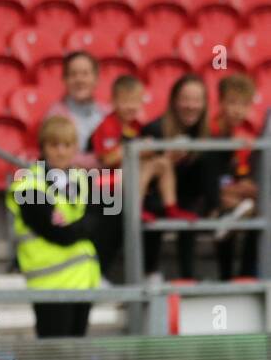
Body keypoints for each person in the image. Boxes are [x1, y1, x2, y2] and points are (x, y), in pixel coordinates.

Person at [5, 116, 101, 338]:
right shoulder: (29, 184)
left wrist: (78, 226)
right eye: (54, 145)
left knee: (75, 357)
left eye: (67, 145)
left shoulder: (83, 179)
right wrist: (83, 225)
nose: (61, 151)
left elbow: (99, 221)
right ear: (43, 147)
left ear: (76, 148)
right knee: (55, 354)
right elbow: (58, 233)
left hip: (84, 279)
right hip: (49, 283)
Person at [87, 74, 180, 274]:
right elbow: (107, 159)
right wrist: (135, 149)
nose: (130, 106)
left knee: (161, 167)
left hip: (134, 183)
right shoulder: (107, 126)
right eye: (125, 101)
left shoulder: (140, 127)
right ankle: (101, 272)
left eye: (135, 101)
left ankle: (170, 207)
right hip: (107, 188)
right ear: (113, 101)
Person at [141, 74, 221, 281]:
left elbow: (207, 181)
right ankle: (149, 272)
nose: (191, 106)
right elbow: (140, 177)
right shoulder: (154, 130)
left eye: (197, 100)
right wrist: (167, 158)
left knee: (192, 209)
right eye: (186, 99)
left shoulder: (208, 137)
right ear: (174, 101)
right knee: (155, 208)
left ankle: (191, 276)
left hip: (189, 200)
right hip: (153, 198)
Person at [208, 73, 260, 279]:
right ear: (220, 102)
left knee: (257, 211)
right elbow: (208, 179)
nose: (238, 110)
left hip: (237, 196)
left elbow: (244, 174)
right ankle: (227, 277)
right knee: (233, 210)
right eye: (232, 103)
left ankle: (246, 275)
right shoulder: (209, 132)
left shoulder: (247, 136)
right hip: (210, 197)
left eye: (244, 104)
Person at [44, 52, 109, 168]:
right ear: (65, 79)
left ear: (96, 78)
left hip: (111, 180)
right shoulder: (56, 115)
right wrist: (103, 160)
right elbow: (60, 158)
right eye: (73, 74)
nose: (79, 80)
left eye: (85, 74)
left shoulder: (107, 112)